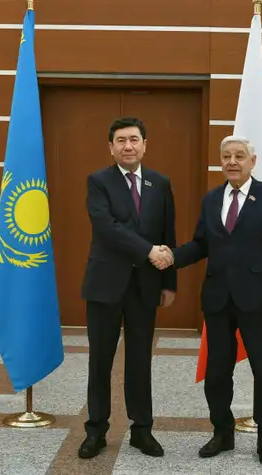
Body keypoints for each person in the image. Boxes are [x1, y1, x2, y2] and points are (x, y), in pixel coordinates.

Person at [154, 135, 262, 466]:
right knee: (216, 371)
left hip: (259, 300)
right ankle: (222, 432)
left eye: (239, 156)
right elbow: (201, 244)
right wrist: (172, 256)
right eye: (226, 156)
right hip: (218, 300)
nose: (232, 161)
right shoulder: (212, 198)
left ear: (252, 161)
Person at [78, 117, 176, 459]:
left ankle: (142, 430)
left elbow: (168, 232)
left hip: (145, 286)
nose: (128, 146)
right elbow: (106, 227)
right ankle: (96, 430)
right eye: (121, 140)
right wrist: (148, 251)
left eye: (134, 139)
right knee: (100, 361)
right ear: (111, 147)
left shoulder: (159, 183)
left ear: (145, 145)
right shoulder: (99, 181)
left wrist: (169, 282)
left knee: (140, 361)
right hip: (105, 285)